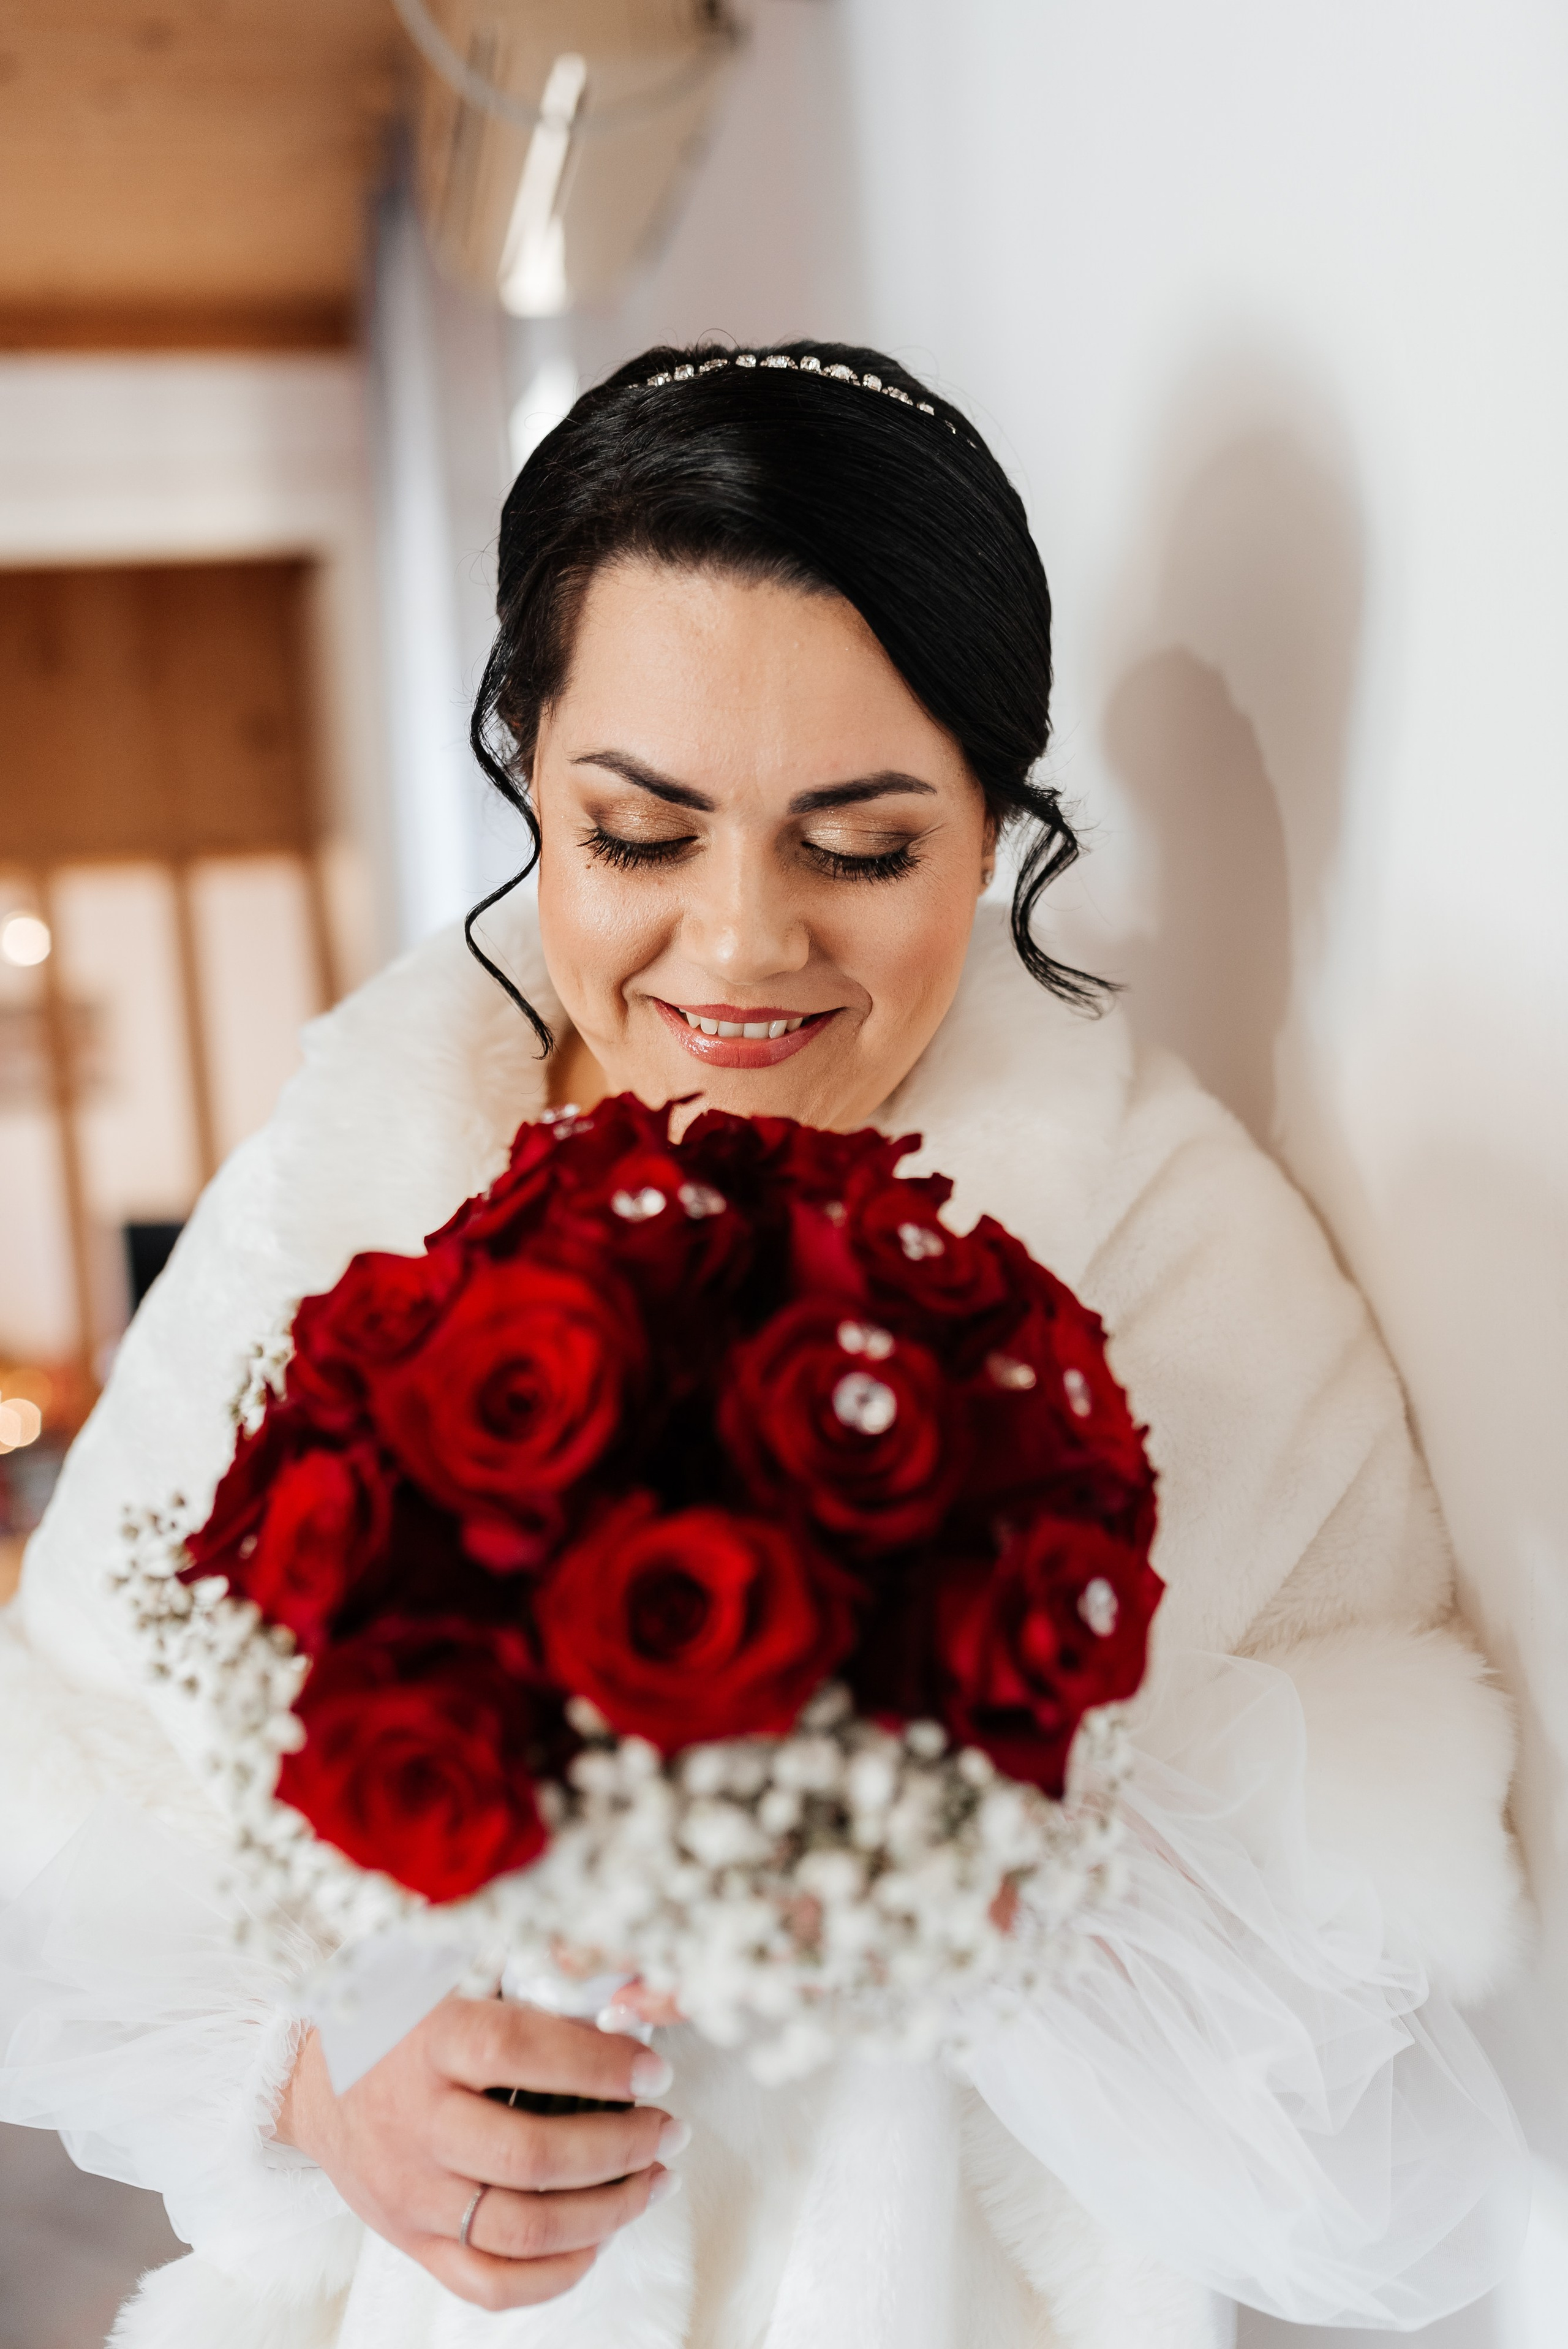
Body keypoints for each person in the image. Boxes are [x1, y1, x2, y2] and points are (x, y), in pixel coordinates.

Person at [0, 342, 1527, 2349]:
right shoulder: (339, 1188)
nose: (737, 948)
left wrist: (960, 1811)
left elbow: (1382, 2144)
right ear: (529, 777)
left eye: (861, 846)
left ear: (993, 826)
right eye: (641, 835)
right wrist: (311, 2076)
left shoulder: (1177, 1262)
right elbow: (64, 1794)